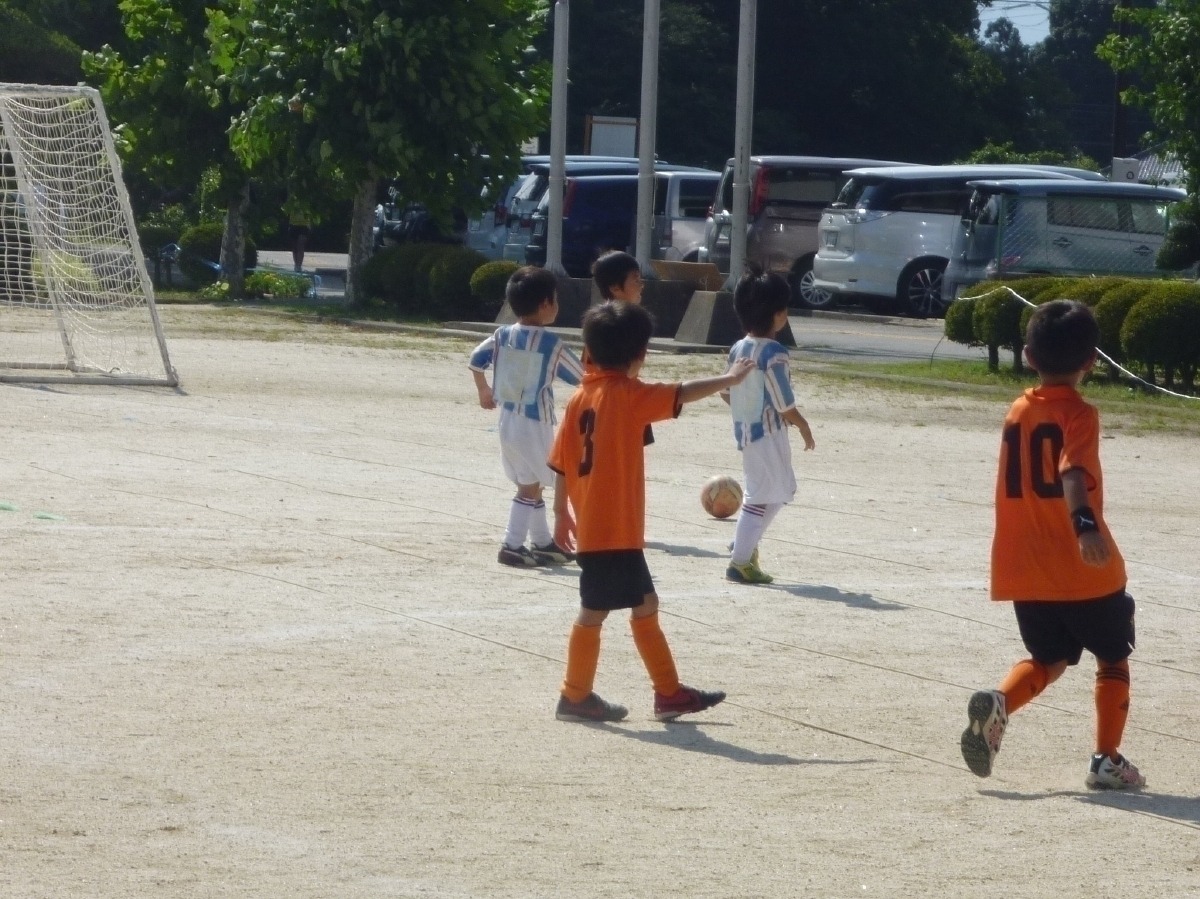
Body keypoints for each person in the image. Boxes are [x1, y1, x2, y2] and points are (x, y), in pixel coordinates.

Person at [960, 299, 1144, 790]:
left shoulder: (1017, 410)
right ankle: (1106, 760)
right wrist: (1085, 527)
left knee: (1049, 660)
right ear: (1091, 361)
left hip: (1025, 567)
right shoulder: (1080, 414)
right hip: (1082, 568)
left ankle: (1001, 701)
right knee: (1112, 657)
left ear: (1028, 357)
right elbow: (1072, 472)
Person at [549, 301, 755, 722]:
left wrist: (560, 512)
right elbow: (681, 392)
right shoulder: (626, 395)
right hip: (613, 529)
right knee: (596, 609)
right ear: (639, 355)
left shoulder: (579, 398)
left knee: (644, 601)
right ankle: (576, 695)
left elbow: (561, 462)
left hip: (598, 527)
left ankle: (668, 693)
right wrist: (730, 378)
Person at [469, 267, 584, 568]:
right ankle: (512, 544)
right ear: (545, 304)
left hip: (508, 420)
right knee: (531, 486)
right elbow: (581, 376)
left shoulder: (502, 334)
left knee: (532, 480)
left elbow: (476, 359)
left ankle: (542, 542)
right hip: (535, 423)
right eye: (555, 299)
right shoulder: (550, 344)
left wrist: (484, 390)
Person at [722, 269, 815, 585]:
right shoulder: (775, 353)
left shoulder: (738, 347)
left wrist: (745, 408)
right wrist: (803, 426)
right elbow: (783, 401)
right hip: (769, 433)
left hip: (748, 433)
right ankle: (739, 561)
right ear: (779, 314)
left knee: (780, 489)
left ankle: (744, 542)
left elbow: (725, 390)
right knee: (763, 495)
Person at [287, 206, 311, 272]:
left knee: (300, 245)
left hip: (304, 225)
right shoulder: (292, 202)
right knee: (295, 247)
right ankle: (296, 264)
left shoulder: (306, 202)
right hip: (293, 224)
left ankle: (299, 265)